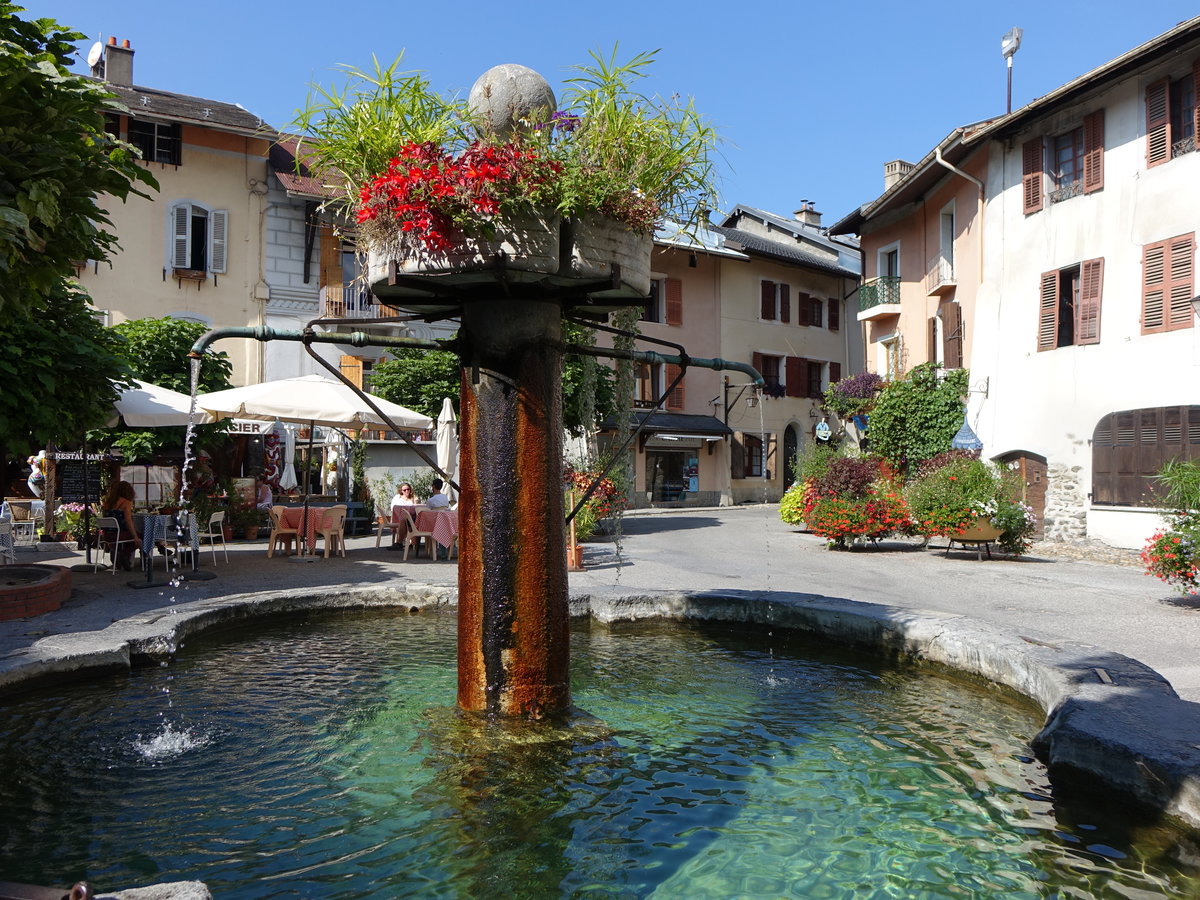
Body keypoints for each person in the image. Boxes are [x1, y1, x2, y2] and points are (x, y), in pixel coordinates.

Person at [101, 480, 140, 570]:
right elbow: (128, 520)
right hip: (119, 535)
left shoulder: (107, 503)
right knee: (141, 537)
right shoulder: (126, 503)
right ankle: (123, 555)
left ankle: (122, 558)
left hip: (107, 536)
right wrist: (135, 536)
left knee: (130, 537)